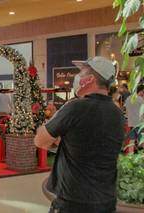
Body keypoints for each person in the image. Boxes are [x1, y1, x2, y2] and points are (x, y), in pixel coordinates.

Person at [34, 56, 125, 213]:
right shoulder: (117, 114)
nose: (78, 77)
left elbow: (40, 141)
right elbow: (84, 142)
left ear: (89, 80)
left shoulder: (74, 108)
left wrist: (52, 120)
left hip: (73, 201)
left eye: (81, 73)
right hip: (106, 201)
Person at [124, 85, 144, 151]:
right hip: (139, 123)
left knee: (131, 141)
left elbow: (126, 112)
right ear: (141, 91)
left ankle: (130, 156)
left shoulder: (129, 98)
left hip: (131, 122)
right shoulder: (141, 99)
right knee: (141, 141)